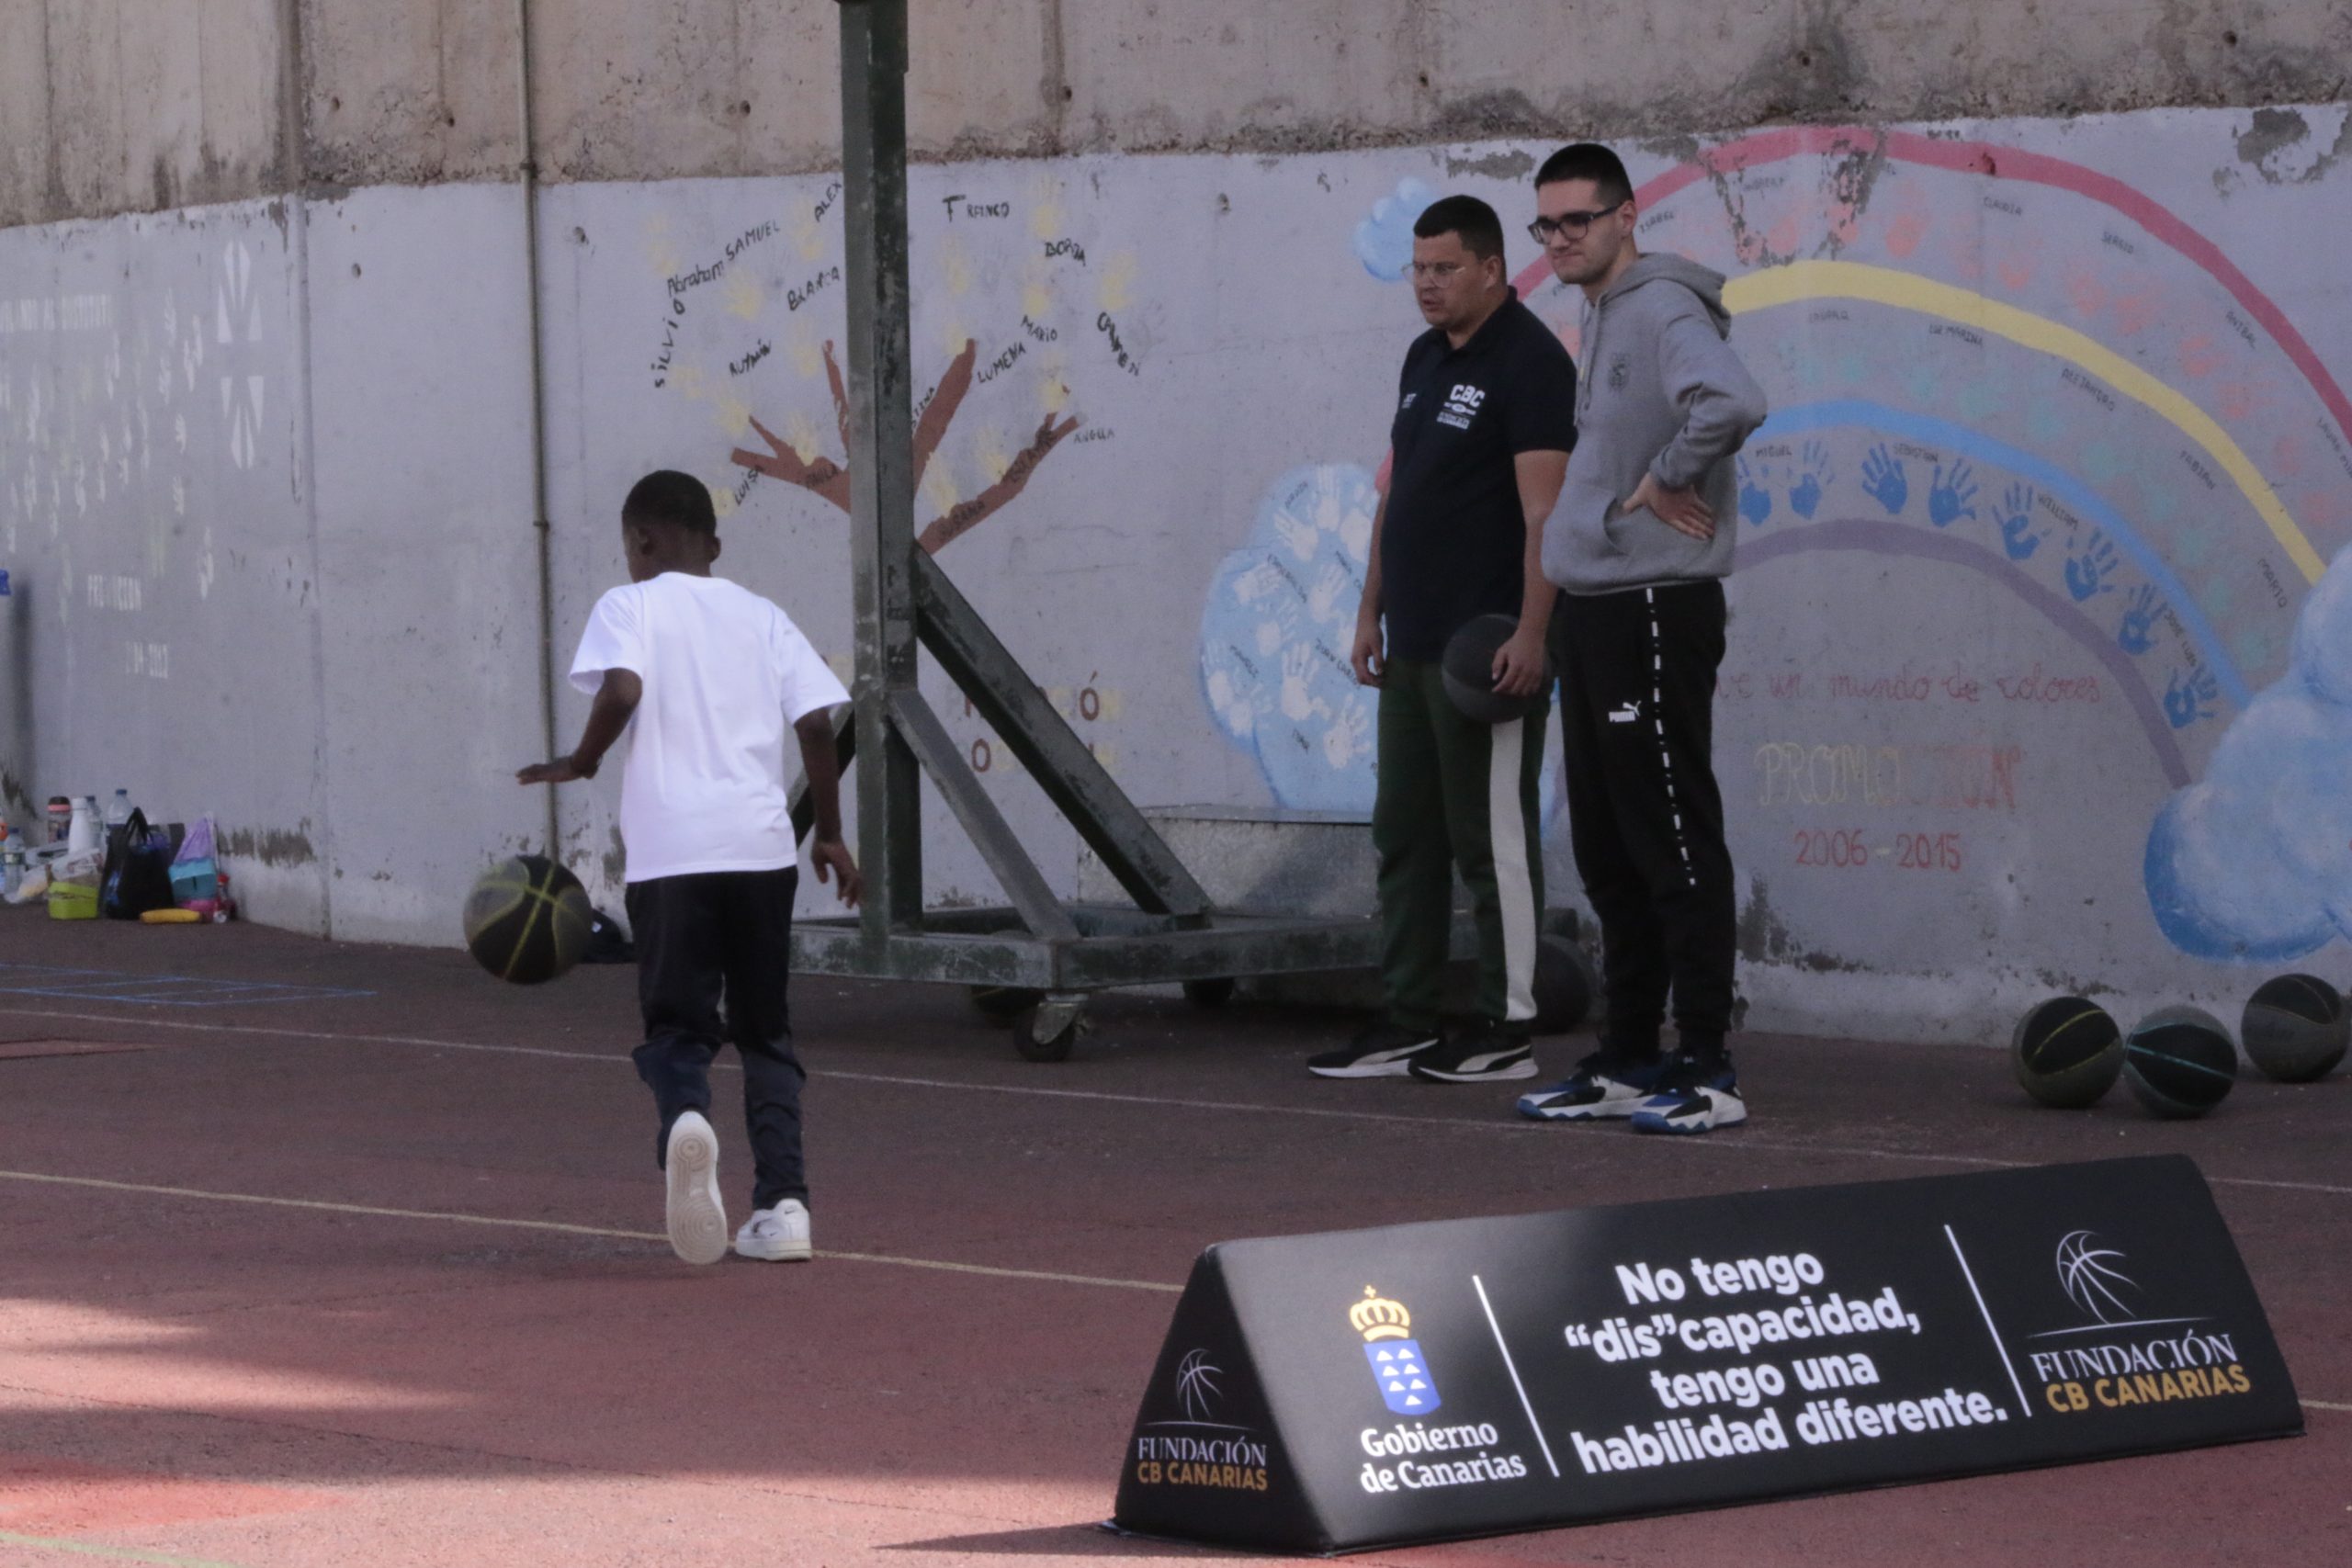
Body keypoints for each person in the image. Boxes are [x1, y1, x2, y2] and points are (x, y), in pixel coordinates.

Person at [518, 470, 861, 1261]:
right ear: (713, 543)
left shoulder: (629, 604)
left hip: (673, 855)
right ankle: (785, 1208)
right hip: (761, 850)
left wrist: (583, 758)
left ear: (640, 541)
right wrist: (831, 835)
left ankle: (685, 1119)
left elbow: (625, 686)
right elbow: (816, 720)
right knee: (767, 1032)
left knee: (678, 1030)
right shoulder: (762, 615)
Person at [1514, 143, 1767, 1134]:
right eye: (1548, 224)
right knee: (1611, 847)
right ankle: (1627, 1054)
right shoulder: (1603, 311)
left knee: (1669, 836)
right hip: (1595, 604)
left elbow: (1734, 401)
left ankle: (1704, 1063)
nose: (1562, 238)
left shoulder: (1662, 307)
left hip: (1655, 604)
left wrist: (1667, 475)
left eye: (1579, 220)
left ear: (1626, 217)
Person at [1307, 195, 1577, 1085]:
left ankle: (1507, 1027)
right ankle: (1410, 1018)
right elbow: (1399, 495)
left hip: (1485, 651)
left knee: (1487, 841)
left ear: (1492, 270)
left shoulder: (1530, 363)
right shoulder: (1425, 358)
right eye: (1417, 270)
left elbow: (1546, 513)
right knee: (1406, 834)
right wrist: (1365, 612)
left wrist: (1534, 634)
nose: (1425, 285)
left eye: (1444, 269)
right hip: (1410, 642)